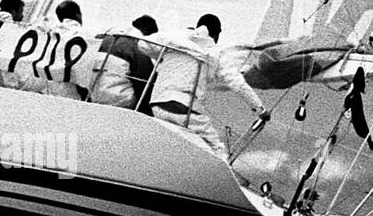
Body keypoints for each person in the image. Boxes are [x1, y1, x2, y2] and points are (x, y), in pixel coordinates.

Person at [147, 13, 270, 157]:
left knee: (173, 145)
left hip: (157, 105)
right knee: (217, 151)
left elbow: (144, 45)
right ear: (216, 34)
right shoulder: (216, 53)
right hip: (185, 111)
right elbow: (237, 84)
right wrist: (260, 109)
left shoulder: (175, 40)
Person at [19, 0, 85, 99]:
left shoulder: (49, 34)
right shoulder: (84, 36)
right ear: (78, 15)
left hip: (48, 88)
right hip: (70, 92)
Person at [90, 14, 157, 108]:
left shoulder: (104, 39)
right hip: (120, 102)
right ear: (146, 34)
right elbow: (146, 84)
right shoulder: (137, 48)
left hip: (91, 96)